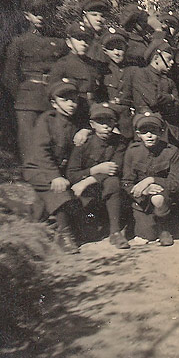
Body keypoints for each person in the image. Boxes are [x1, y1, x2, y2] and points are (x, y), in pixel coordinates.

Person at [22, 78, 87, 254]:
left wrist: (86, 130)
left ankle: (20, 207)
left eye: (74, 99)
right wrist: (55, 176)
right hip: (38, 169)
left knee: (39, 213)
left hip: (58, 170)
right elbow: (41, 152)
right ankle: (64, 235)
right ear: (54, 103)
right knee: (60, 193)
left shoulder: (76, 121)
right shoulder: (47, 120)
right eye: (64, 100)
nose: (71, 104)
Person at [2, 0, 68, 161]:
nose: (40, 17)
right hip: (28, 101)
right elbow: (9, 75)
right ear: (27, 16)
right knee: (29, 144)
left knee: (54, 141)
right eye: (35, 13)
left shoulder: (59, 42)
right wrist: (21, 96)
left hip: (53, 98)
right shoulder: (19, 42)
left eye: (44, 12)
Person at [66, 102, 130, 249]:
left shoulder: (119, 142)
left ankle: (115, 232)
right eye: (100, 122)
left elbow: (115, 169)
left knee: (113, 181)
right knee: (89, 233)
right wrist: (94, 171)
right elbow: (72, 174)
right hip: (88, 193)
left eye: (109, 121)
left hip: (108, 191)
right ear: (92, 124)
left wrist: (87, 180)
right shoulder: (84, 143)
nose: (106, 126)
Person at [122, 112, 179, 246]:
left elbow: (176, 184)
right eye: (144, 132)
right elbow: (126, 182)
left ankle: (164, 228)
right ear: (138, 134)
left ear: (161, 132)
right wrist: (144, 190)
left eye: (153, 131)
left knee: (158, 198)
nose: (149, 135)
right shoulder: (133, 151)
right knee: (146, 237)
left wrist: (151, 180)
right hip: (142, 201)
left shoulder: (171, 151)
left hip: (164, 198)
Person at [49, 22, 100, 124]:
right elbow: (53, 92)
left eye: (86, 40)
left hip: (93, 110)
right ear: (69, 42)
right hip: (74, 112)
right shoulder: (62, 64)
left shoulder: (94, 65)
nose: (83, 43)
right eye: (79, 39)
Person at [131, 39, 179, 127]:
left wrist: (164, 99)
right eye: (169, 59)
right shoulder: (142, 74)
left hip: (168, 126)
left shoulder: (169, 80)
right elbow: (153, 99)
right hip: (147, 124)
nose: (172, 62)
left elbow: (178, 107)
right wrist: (170, 97)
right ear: (156, 59)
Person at [95, 27, 134, 140]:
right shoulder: (102, 71)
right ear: (105, 51)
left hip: (129, 122)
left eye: (120, 48)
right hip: (108, 121)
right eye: (111, 49)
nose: (116, 52)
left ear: (126, 47)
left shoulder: (134, 70)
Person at [81, 0, 110, 67]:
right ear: (84, 17)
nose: (99, 19)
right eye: (94, 15)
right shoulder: (77, 38)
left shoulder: (108, 39)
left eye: (102, 16)